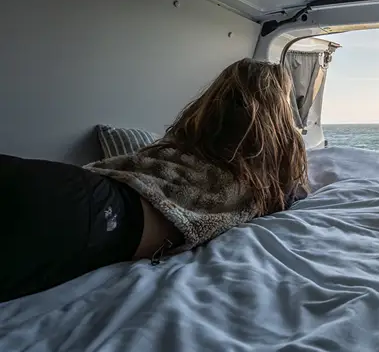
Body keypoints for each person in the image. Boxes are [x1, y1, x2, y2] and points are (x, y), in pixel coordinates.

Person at [0, 59, 307, 303]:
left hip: (80, 191)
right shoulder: (267, 175)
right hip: (102, 217)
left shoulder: (187, 142)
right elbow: (296, 189)